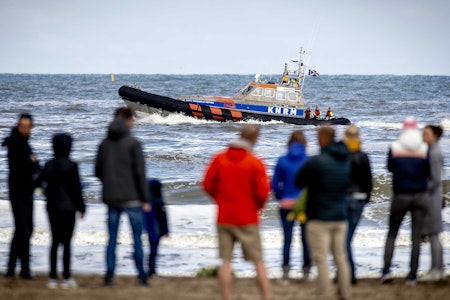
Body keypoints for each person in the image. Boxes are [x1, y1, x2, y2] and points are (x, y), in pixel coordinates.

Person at [202, 124, 271, 300]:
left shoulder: (219, 158)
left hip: (224, 216)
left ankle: (226, 297)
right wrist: (256, 208)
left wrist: (220, 200)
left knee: (226, 261)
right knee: (258, 262)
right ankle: (267, 297)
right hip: (247, 217)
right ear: (255, 138)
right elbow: (263, 193)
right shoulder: (255, 162)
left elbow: (207, 184)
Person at [95, 107, 150, 286]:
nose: (134, 123)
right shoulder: (134, 143)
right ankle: (141, 275)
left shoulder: (104, 143)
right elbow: (140, 174)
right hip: (132, 198)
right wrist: (145, 199)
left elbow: (97, 171)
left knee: (111, 238)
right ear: (127, 120)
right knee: (136, 238)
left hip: (111, 198)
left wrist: (109, 184)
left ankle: (109, 276)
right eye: (132, 119)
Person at [295, 125, 351, 300]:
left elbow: (299, 181)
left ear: (323, 139)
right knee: (341, 257)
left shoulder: (317, 161)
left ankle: (325, 295)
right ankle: (345, 294)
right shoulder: (346, 160)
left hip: (319, 216)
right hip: (340, 216)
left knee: (321, 258)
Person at [380, 116, 429, 285]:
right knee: (416, 237)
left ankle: (386, 271)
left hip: (400, 194)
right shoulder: (424, 148)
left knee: (392, 233)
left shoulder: (395, 147)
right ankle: (412, 275)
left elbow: (389, 167)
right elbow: (429, 170)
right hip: (420, 195)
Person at [34, 133, 86, 289]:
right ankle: (66, 277)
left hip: (52, 207)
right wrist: (82, 207)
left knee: (55, 241)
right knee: (67, 243)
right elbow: (76, 189)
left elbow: (37, 184)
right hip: (69, 208)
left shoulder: (48, 164)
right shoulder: (72, 165)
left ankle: (51, 277)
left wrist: (45, 194)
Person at [2, 114, 40, 279]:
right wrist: (33, 162)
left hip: (26, 190)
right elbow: (27, 166)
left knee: (25, 230)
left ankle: (16, 269)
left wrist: (33, 163)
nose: (25, 129)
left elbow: (31, 165)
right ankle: (18, 270)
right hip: (18, 192)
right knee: (24, 230)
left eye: (28, 126)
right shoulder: (16, 143)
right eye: (23, 126)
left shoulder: (23, 143)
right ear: (18, 126)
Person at [272, 130, 311, 282]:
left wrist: (282, 197)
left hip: (286, 204)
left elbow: (275, 185)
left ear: (289, 142)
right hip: (304, 205)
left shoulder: (282, 160)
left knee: (287, 239)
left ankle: (286, 272)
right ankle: (306, 271)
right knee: (305, 239)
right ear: (304, 143)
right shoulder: (308, 160)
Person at [343, 125, 373, 285]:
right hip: (359, 199)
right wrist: (366, 199)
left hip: (345, 199)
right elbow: (368, 182)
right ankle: (347, 272)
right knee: (348, 238)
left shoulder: (342, 156)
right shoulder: (364, 157)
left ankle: (349, 274)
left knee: (344, 239)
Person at [420, 125, 445, 281]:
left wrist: (421, 189)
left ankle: (437, 270)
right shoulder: (432, 150)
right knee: (433, 235)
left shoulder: (434, 153)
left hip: (432, 198)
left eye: (426, 134)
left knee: (433, 235)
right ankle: (437, 269)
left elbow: (435, 180)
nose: (423, 136)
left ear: (435, 136)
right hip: (433, 197)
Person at [143, 178, 169, 278]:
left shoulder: (147, 201)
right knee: (154, 250)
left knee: (151, 250)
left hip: (150, 229)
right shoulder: (158, 201)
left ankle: (150, 270)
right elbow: (163, 217)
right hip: (156, 230)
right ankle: (152, 271)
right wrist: (166, 230)